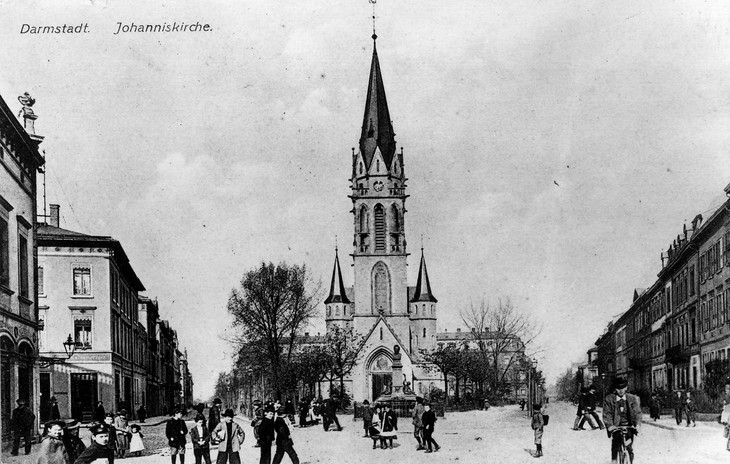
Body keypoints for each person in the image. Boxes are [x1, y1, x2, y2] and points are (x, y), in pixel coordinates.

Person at [603, 377, 641, 464]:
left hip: (629, 426)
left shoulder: (632, 398)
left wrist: (638, 424)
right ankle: (614, 461)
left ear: (626, 388)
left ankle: (630, 461)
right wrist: (609, 425)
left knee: (629, 447)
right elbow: (607, 413)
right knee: (615, 444)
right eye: (618, 388)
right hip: (616, 427)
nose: (620, 390)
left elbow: (637, 412)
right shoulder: (609, 399)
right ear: (615, 389)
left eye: (623, 388)